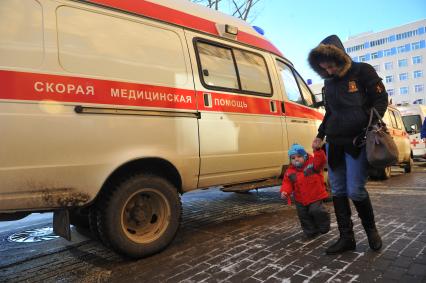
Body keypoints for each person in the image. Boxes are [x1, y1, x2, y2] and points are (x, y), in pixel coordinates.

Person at [308, 35, 388, 254]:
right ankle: (346, 238)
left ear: (340, 58)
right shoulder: (328, 81)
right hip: (334, 143)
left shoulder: (363, 71)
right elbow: (330, 112)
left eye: (332, 66)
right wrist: (320, 134)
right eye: (324, 68)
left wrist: (371, 125)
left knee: (355, 189)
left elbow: (381, 100)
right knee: (339, 190)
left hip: (357, 141)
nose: (329, 71)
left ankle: (371, 230)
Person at [280, 144, 330, 239]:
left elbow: (321, 161)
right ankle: (311, 231)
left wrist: (318, 150)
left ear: (305, 156)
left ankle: (324, 223)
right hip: (300, 199)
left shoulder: (313, 166)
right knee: (304, 216)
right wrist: (285, 191)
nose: (296, 159)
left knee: (316, 210)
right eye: (293, 158)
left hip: (315, 195)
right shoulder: (290, 172)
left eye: (299, 156)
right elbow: (287, 183)